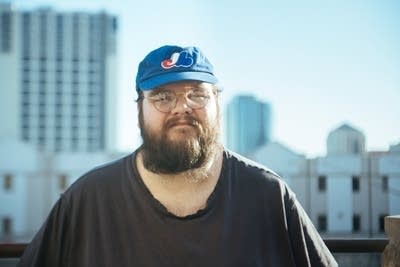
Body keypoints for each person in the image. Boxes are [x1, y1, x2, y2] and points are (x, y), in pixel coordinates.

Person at [18, 45, 338, 267]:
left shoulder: (269, 194)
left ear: (217, 104)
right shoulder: (87, 199)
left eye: (197, 94)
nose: (182, 107)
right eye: (162, 96)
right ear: (139, 108)